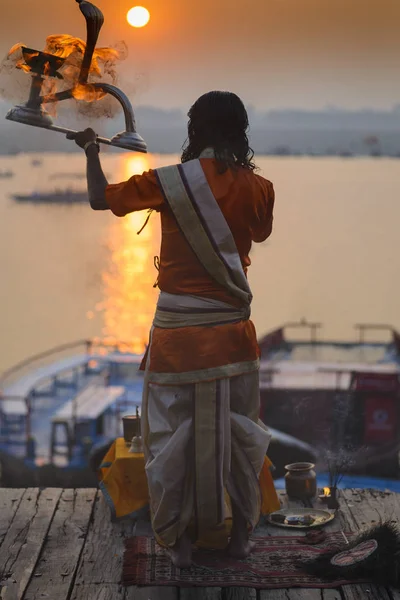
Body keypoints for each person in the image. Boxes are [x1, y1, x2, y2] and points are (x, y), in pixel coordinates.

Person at [70, 90, 279, 568]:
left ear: (194, 130)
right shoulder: (260, 188)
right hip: (232, 334)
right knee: (239, 433)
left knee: (169, 438)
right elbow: (261, 233)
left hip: (177, 337)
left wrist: (90, 150)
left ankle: (179, 544)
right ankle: (240, 539)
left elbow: (100, 200)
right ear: (240, 131)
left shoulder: (169, 182)